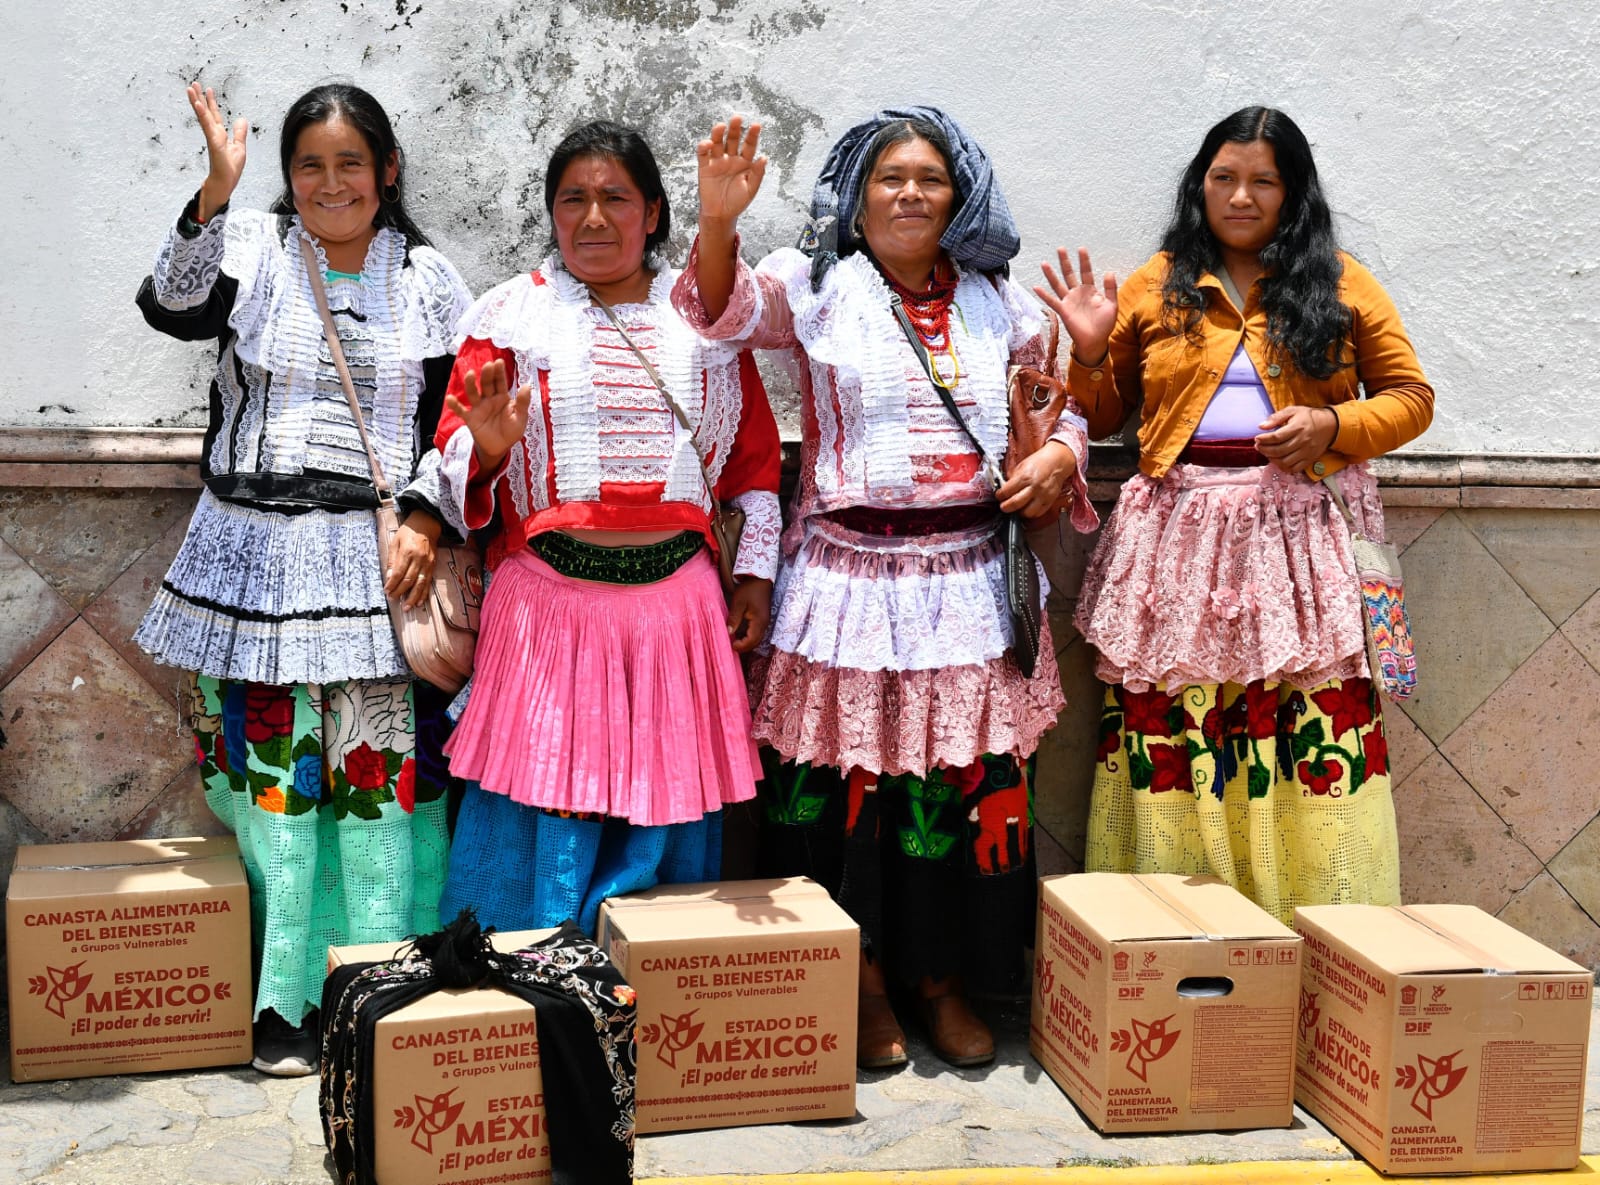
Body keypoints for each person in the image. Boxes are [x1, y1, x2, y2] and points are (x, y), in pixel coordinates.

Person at [675, 109, 1096, 1069]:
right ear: (857, 198)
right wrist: (717, 224)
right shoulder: (814, 286)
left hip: (969, 583)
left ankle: (942, 983)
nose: (909, 193)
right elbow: (719, 317)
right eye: (888, 178)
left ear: (961, 199)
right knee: (842, 789)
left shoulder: (1003, 304)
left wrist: (1060, 461)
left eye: (930, 179)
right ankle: (859, 988)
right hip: (846, 586)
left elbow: (1059, 409)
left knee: (958, 789)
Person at [135, 83, 473, 1074]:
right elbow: (171, 306)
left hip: (376, 570)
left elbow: (451, 424)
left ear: (387, 173)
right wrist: (214, 191)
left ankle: (378, 991)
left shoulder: (427, 279)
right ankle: (280, 1005)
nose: (330, 183)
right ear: (289, 174)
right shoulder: (247, 248)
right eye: (310, 165)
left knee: (377, 788)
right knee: (279, 795)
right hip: (256, 564)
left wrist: (422, 512)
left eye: (350, 164)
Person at [1035, 106, 1433, 925]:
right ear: (1200, 184)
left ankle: (1316, 933)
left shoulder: (1342, 281)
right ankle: (1178, 929)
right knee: (1181, 723)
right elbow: (1107, 413)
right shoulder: (1155, 281)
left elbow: (1411, 399)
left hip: (1302, 537)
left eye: (1263, 180)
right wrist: (1085, 348)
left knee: (1305, 723)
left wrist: (1331, 426)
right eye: (1225, 178)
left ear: (1294, 193)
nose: (1241, 196)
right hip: (1179, 535)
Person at [433, 121, 781, 936]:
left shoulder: (708, 324)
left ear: (654, 212)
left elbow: (754, 467)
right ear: (552, 215)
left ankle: (646, 988)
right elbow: (452, 456)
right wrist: (481, 452)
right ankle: (529, 973)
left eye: (614, 198)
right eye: (573, 200)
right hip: (548, 611)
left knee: (661, 819)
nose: (593, 217)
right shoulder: (510, 315)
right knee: (543, 804)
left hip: (679, 617)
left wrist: (754, 576)